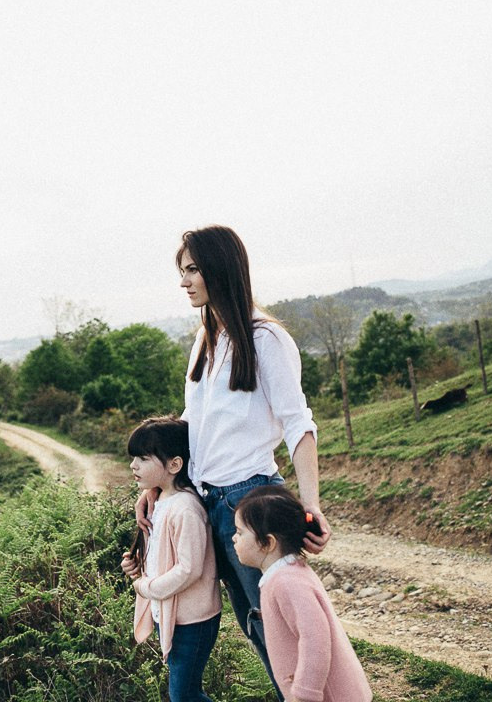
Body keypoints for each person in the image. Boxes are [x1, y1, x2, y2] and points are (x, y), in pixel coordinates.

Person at [137, 224, 331, 698]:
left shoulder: (266, 339)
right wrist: (156, 485)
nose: (184, 281)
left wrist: (310, 505)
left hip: (252, 498)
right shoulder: (205, 340)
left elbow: (298, 423)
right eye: (181, 271)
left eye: (193, 269)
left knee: (279, 631)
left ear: (220, 268)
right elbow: (192, 423)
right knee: (254, 626)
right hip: (210, 504)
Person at [233, 485, 372, 702]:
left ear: (268, 543)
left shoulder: (286, 582)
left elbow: (315, 638)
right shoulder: (284, 575)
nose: (234, 538)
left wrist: (304, 695)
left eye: (240, 532)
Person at [121, 416, 221, 702]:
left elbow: (189, 569)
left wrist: (146, 587)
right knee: (184, 693)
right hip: (176, 617)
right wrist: (137, 565)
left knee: (184, 695)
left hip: (193, 621)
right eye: (133, 458)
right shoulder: (161, 500)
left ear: (174, 465)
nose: (133, 466)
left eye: (142, 458)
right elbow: (163, 554)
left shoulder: (185, 508)